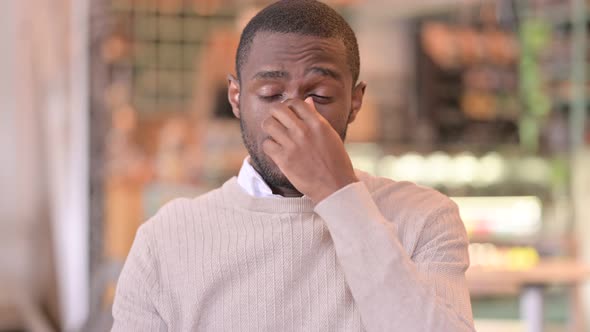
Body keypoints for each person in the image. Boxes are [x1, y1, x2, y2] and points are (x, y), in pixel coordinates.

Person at [111, 1, 475, 331]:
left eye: (320, 95)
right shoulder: (167, 239)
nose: (296, 115)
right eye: (270, 94)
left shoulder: (424, 219)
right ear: (236, 98)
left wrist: (339, 194)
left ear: (355, 101)